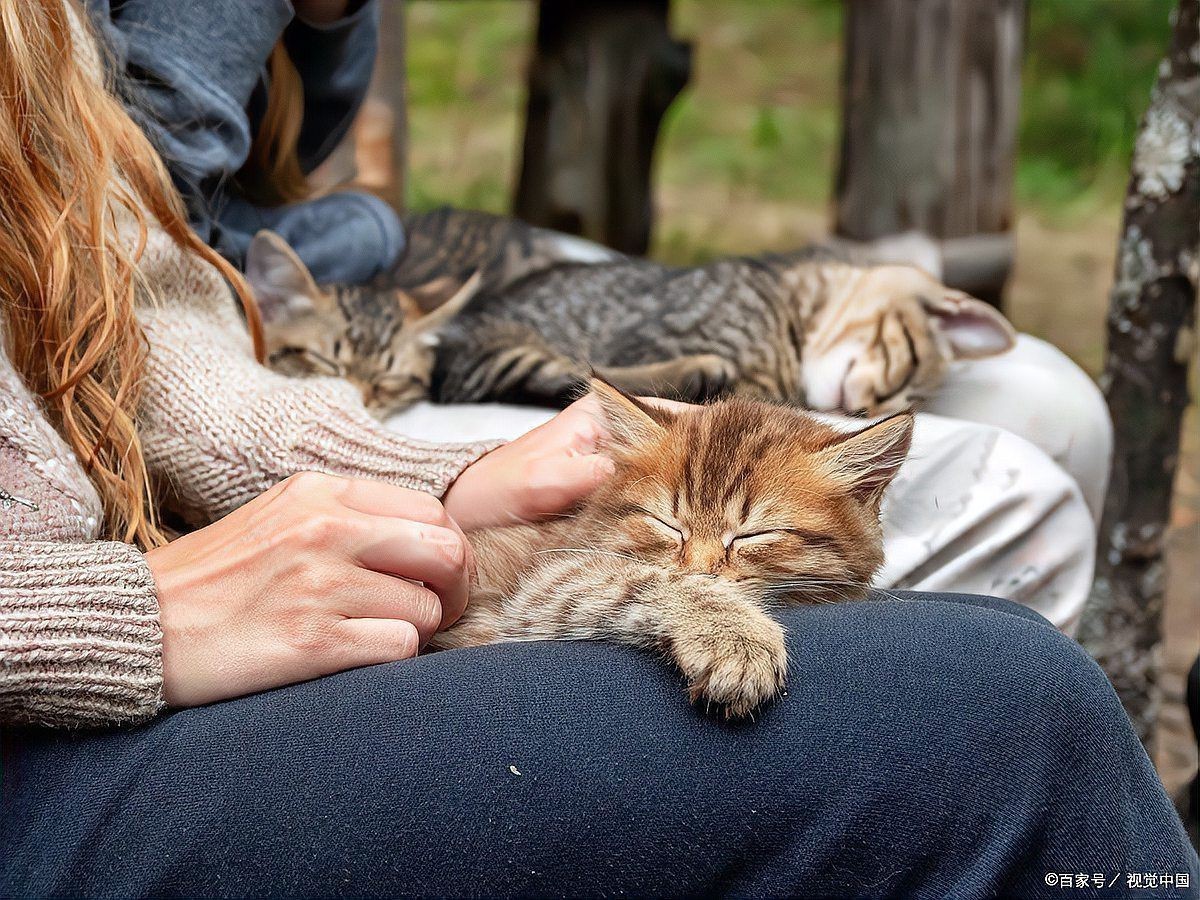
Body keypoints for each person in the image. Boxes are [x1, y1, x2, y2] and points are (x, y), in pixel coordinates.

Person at [2, 1, 1196, 896]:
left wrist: (438, 481)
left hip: (145, 650)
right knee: (1017, 713)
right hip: (50, 756)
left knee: (1009, 628)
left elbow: (126, 296)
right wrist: (130, 614)